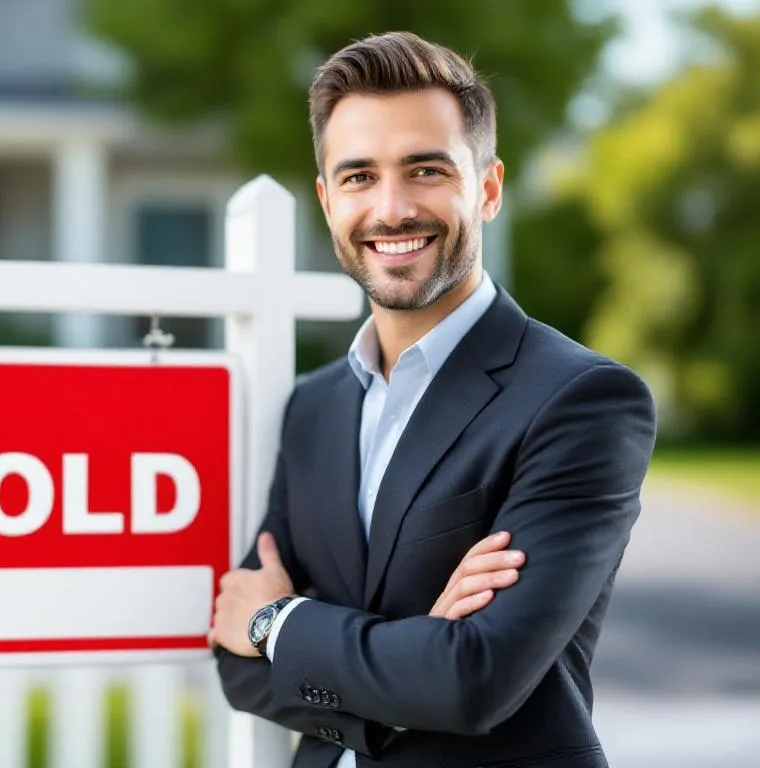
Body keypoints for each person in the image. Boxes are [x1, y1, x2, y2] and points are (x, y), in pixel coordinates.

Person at [207, 31, 658, 768]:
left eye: (425, 170)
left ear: (488, 188)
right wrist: (409, 663)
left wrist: (277, 624)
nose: (391, 209)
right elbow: (236, 665)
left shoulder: (582, 401)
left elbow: (472, 679)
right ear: (327, 200)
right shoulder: (313, 408)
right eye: (359, 177)